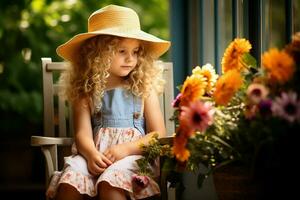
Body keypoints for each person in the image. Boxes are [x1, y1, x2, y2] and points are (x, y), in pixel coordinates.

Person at [45, 4, 171, 200]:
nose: (130, 58)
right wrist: (90, 154)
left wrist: (125, 149)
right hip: (94, 156)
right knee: (71, 178)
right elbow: (81, 133)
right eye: (122, 51)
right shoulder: (85, 90)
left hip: (133, 158)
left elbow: (158, 134)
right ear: (97, 53)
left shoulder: (143, 88)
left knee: (109, 182)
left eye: (136, 51)